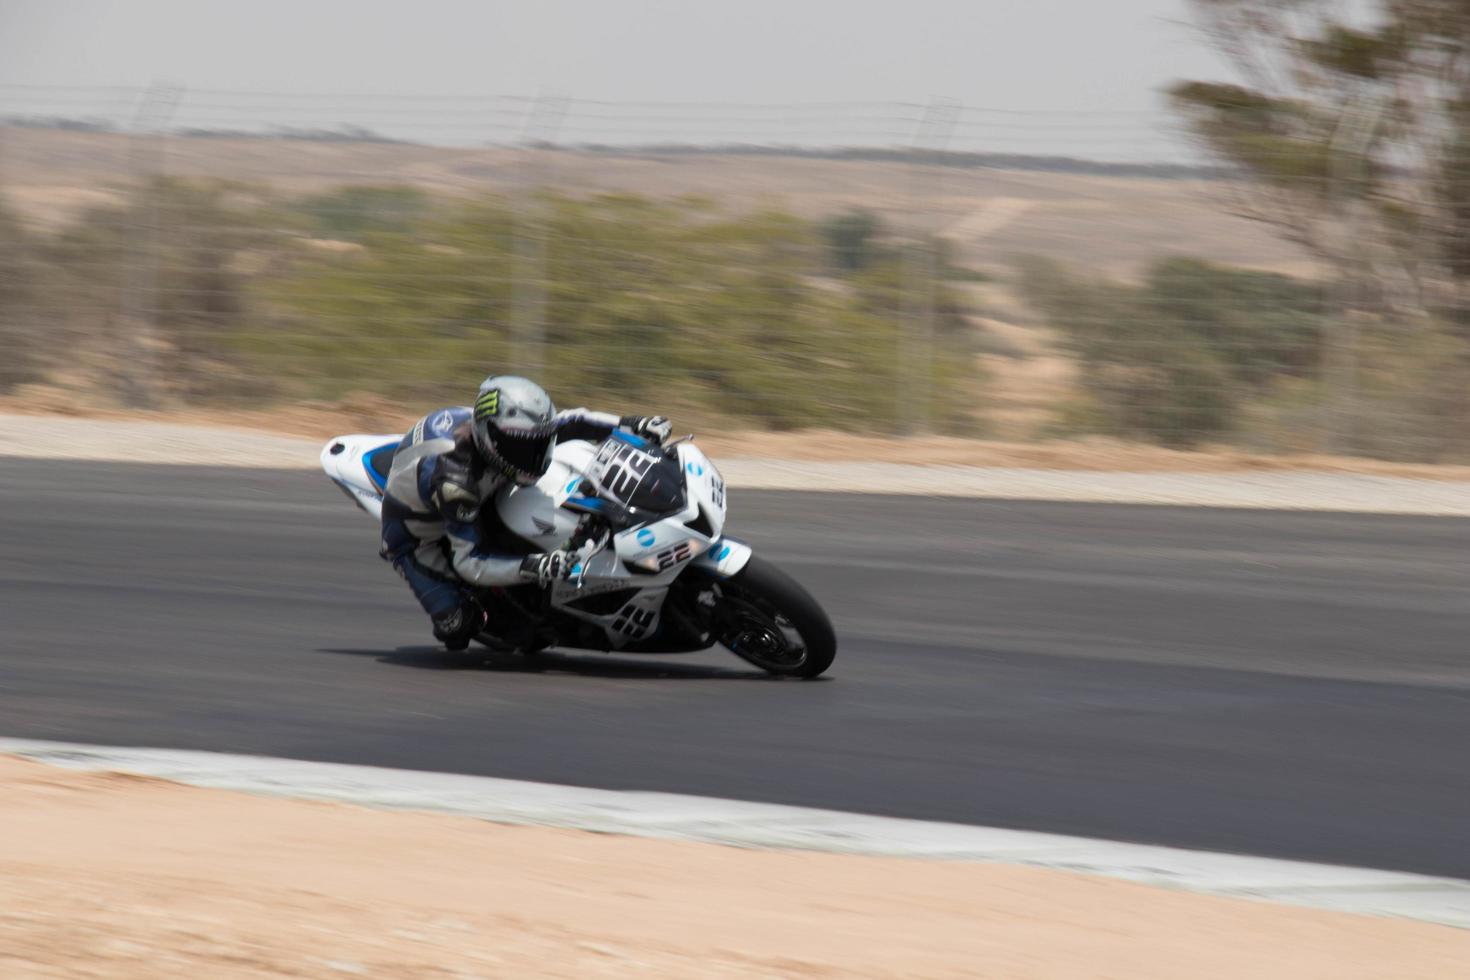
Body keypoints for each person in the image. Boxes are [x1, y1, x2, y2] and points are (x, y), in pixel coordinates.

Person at [379, 375, 671, 649]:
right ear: (491, 439)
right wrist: (535, 566)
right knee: (457, 627)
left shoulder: (508, 430)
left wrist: (630, 423)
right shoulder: (458, 485)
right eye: (522, 447)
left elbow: (569, 421)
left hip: (476, 490)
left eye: (539, 444)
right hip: (418, 538)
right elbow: (470, 563)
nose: (533, 455)